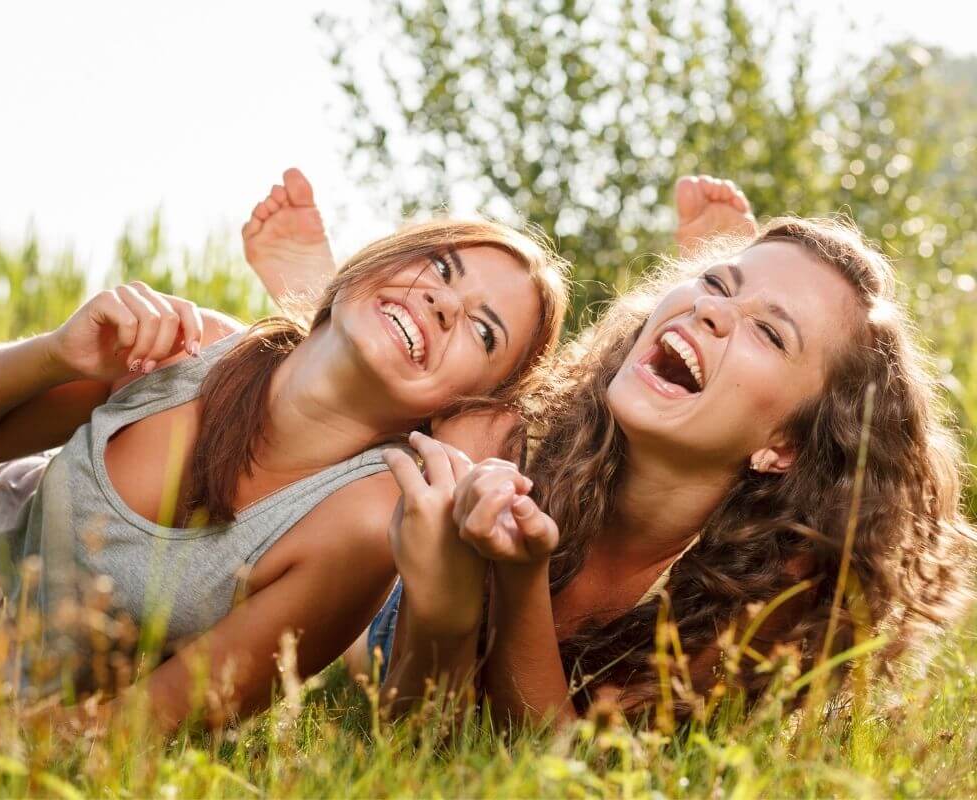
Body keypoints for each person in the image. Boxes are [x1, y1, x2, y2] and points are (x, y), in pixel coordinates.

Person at [250, 172, 974, 723]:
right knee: (379, 454)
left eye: (769, 331)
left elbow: (562, 765)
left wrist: (521, 580)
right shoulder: (504, 439)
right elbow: (409, 712)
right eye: (716, 283)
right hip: (396, 602)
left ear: (782, 445)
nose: (714, 307)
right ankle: (317, 306)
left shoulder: (772, 587)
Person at [0, 183, 569, 731]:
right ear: (377, 260)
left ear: (466, 404)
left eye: (483, 330)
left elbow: (131, 731)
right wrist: (55, 353)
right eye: (441, 267)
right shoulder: (188, 346)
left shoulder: (360, 525)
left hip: (54, 692)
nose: (443, 303)